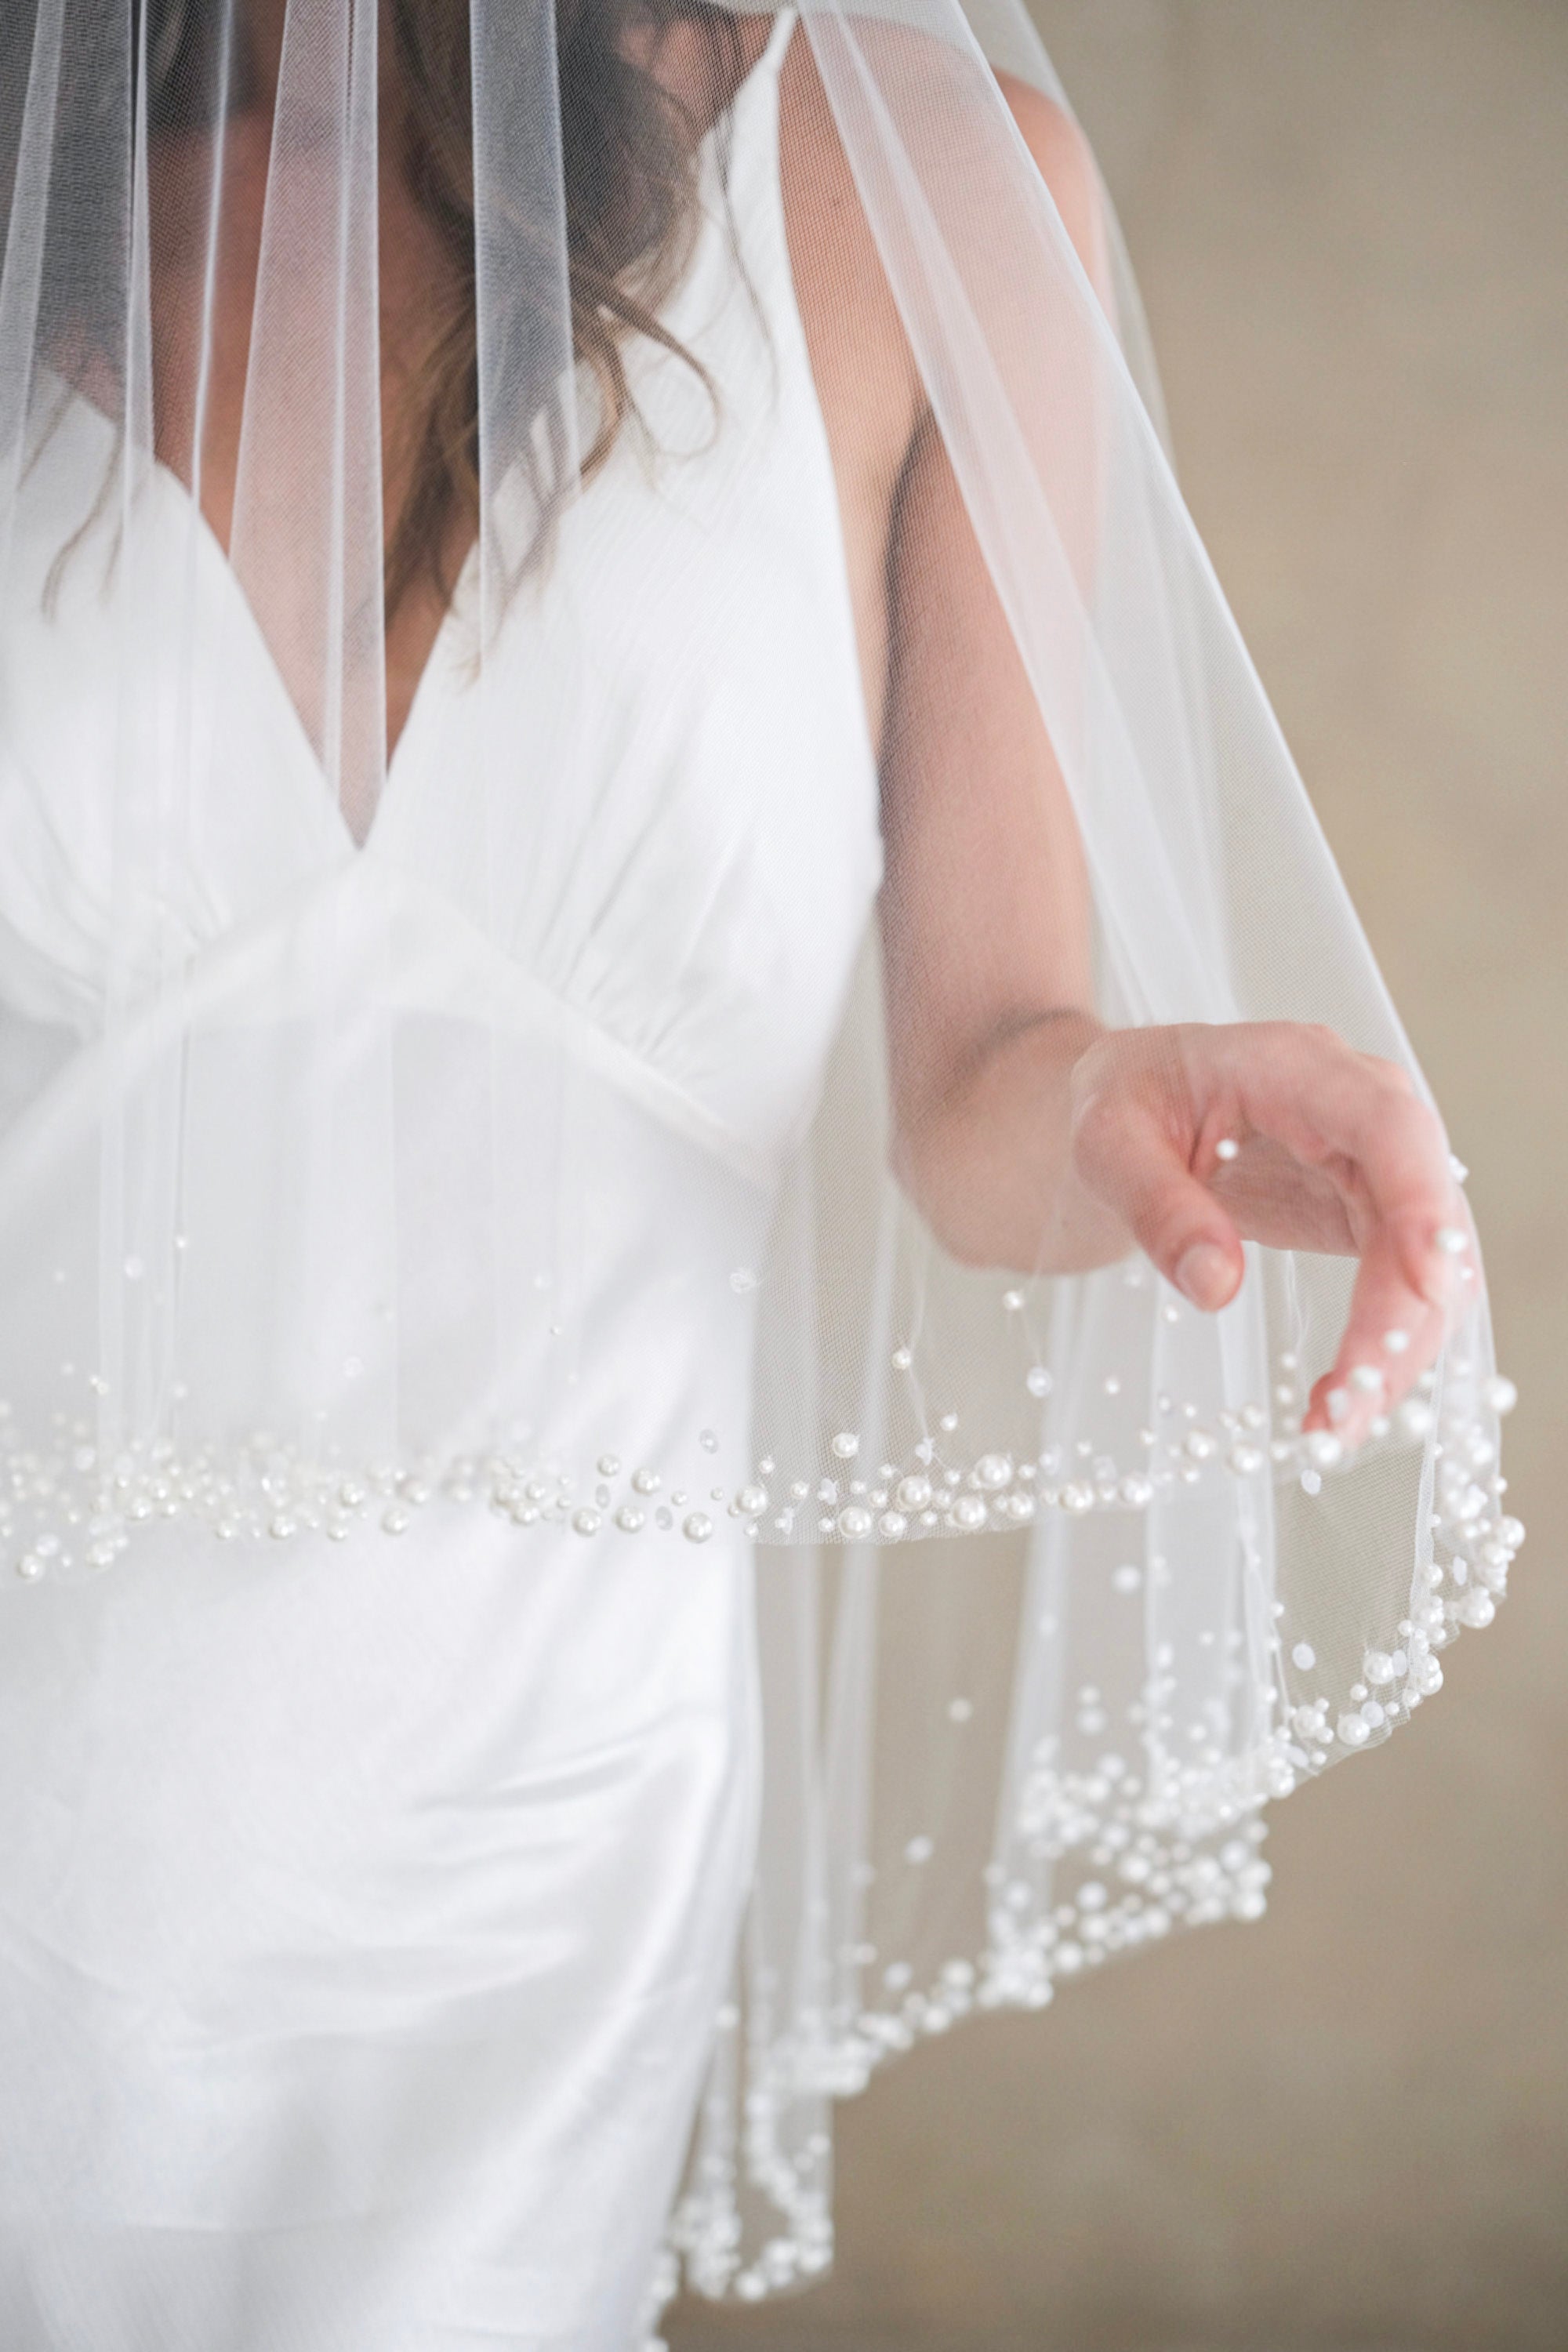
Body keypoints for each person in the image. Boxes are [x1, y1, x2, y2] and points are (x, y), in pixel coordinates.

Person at [0, 1, 1516, 2343]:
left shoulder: (926, 179)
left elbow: (983, 1089)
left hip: (529, 1823)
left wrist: (1127, 1104)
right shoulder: (52, 149)